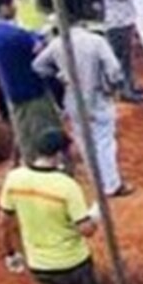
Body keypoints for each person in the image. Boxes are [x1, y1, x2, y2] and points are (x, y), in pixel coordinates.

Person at [0, 129, 111, 284]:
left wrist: (10, 253)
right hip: (75, 261)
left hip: (42, 266)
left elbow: (4, 222)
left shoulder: (15, 179)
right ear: (60, 154)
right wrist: (97, 214)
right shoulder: (66, 186)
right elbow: (85, 230)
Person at [33, 25, 133, 198]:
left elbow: (38, 65)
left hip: (73, 99)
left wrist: (60, 75)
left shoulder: (57, 43)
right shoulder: (96, 40)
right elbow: (115, 69)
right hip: (97, 96)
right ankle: (111, 185)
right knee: (104, 142)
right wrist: (113, 86)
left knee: (84, 142)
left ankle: (97, 182)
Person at [0, 0, 64, 163]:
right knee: (44, 130)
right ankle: (48, 168)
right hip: (31, 89)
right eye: (11, 4)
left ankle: (28, 164)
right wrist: (43, 36)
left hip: (11, 90)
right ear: (3, 7)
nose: (14, 7)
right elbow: (38, 49)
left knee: (24, 132)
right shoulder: (12, 34)